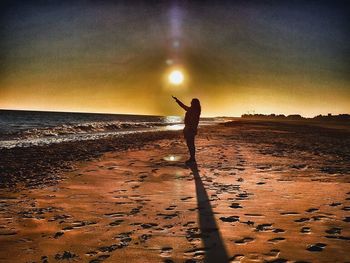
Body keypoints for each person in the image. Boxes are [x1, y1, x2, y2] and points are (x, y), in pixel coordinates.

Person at [172, 96, 201, 164]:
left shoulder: (192, 110)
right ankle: (192, 158)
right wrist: (177, 100)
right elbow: (183, 106)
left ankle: (192, 158)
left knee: (190, 144)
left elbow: (183, 106)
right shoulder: (196, 110)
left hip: (190, 129)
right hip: (191, 129)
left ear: (193, 103)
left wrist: (177, 100)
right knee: (191, 144)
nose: (190, 102)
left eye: (192, 101)